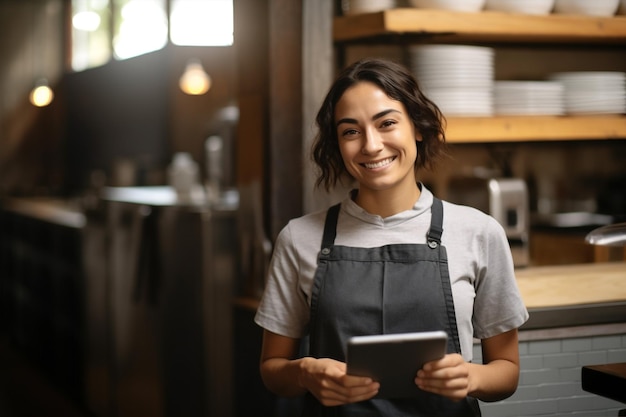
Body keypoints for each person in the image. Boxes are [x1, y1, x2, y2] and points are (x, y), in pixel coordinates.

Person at [254, 57, 529, 416]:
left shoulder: (479, 232)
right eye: (350, 131)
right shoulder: (300, 238)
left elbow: (506, 372)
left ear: (416, 126)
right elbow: (273, 370)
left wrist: (471, 377)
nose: (370, 145)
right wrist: (304, 372)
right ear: (337, 144)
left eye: (387, 123)